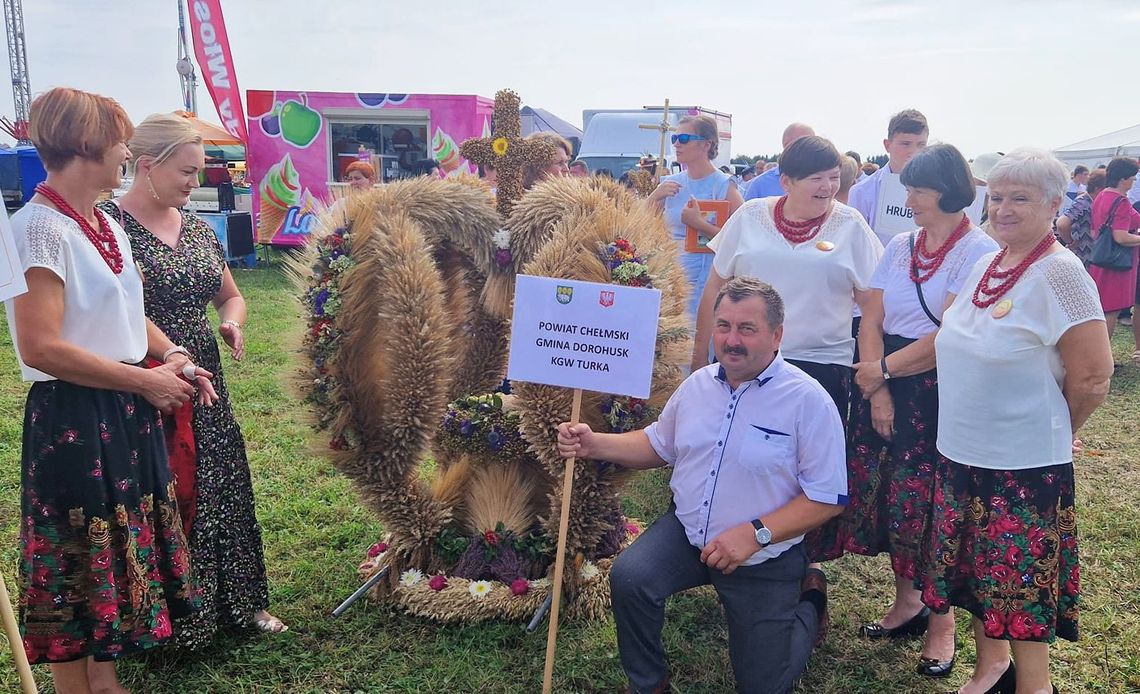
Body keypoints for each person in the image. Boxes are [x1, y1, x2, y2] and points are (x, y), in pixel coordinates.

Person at [5, 87, 216, 694]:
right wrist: (141, 380)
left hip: (125, 407)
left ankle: (107, 680)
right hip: (73, 413)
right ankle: (76, 689)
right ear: (86, 145)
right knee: (77, 552)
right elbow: (40, 346)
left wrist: (170, 355)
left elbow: (130, 310)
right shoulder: (38, 229)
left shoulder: (104, 223)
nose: (127, 151)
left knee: (122, 544)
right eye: (119, 139)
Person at [558, 278, 847, 694]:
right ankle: (649, 684)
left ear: (777, 334)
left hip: (762, 555)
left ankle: (811, 602)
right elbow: (659, 444)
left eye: (747, 328)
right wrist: (593, 443)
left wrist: (754, 534)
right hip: (689, 534)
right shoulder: (697, 386)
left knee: (764, 684)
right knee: (631, 577)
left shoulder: (808, 401)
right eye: (724, 325)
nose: (732, 340)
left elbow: (827, 497)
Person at [920, 148, 1113, 694]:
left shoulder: (1063, 273)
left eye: (1020, 198)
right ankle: (991, 670)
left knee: (1018, 582)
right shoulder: (987, 260)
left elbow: (1094, 376)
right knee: (980, 573)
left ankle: (1034, 686)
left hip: (1023, 461)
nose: (1002, 208)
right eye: (997, 196)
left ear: (1054, 203)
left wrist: (1059, 427)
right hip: (961, 448)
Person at [97, 112, 287, 647]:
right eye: (187, 171)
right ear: (148, 166)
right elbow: (122, 308)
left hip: (205, 377)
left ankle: (240, 603)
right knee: (166, 490)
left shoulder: (199, 227)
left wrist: (232, 321)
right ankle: (172, 620)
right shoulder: (109, 227)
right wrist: (169, 356)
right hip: (146, 377)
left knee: (221, 485)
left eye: (200, 171)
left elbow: (230, 293)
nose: (196, 183)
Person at [841, 145, 999, 679]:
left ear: (950, 192)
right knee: (890, 497)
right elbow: (872, 316)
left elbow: (947, 334)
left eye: (917, 189)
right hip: (882, 373)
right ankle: (906, 601)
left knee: (933, 506)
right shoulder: (901, 244)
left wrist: (882, 373)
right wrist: (875, 384)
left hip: (935, 387)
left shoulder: (977, 250)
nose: (907, 197)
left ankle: (942, 624)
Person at [648, 115, 744, 319]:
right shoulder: (670, 184)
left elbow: (741, 239)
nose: (676, 144)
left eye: (683, 139)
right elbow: (642, 226)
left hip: (706, 280)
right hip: (670, 276)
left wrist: (699, 224)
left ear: (706, 144)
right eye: (674, 139)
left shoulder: (723, 185)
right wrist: (653, 197)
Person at [848, 109, 930, 244]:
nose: (914, 152)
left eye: (921, 145)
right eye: (906, 144)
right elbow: (856, 246)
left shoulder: (938, 192)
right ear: (887, 145)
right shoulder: (861, 192)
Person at [1085, 156, 1140, 353]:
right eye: (1132, 178)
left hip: (1100, 258)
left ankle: (1096, 353)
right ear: (1124, 178)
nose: (1134, 181)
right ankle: (1100, 355)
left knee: (1101, 308)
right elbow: (1121, 237)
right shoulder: (1121, 201)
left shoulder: (1102, 195)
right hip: (1116, 262)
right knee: (1111, 310)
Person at [744, 122, 815, 200]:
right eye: (806, 144)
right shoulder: (759, 185)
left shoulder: (823, 182)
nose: (811, 150)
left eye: (814, 145)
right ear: (787, 146)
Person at [1055, 168, 1106, 266]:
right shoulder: (1083, 202)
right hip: (1082, 255)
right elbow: (1061, 223)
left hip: (1090, 255)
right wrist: (1070, 242)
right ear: (1098, 189)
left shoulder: (1091, 202)